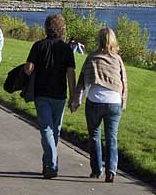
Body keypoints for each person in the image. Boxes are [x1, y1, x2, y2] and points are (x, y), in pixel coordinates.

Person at [70, 27, 128, 182]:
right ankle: (111, 170)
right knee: (112, 137)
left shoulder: (92, 57)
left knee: (94, 136)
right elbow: (123, 82)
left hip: (95, 100)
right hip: (114, 102)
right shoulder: (117, 59)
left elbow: (82, 81)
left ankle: (96, 170)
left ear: (99, 40)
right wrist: (123, 101)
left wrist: (76, 100)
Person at [24, 14, 77, 179]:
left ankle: (49, 163)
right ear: (62, 29)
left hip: (42, 93)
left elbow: (28, 69)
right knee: (55, 130)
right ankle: (51, 163)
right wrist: (74, 96)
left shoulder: (38, 46)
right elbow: (71, 74)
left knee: (46, 129)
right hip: (60, 95)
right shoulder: (66, 49)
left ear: (47, 27)